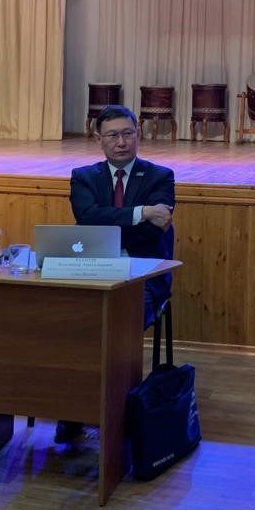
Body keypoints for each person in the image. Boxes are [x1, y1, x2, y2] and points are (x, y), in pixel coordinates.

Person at [62, 104, 175, 443]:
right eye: (112, 135)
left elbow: (151, 233)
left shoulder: (160, 176)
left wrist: (109, 222)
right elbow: (86, 217)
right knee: (67, 321)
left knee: (117, 327)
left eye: (127, 134)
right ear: (98, 139)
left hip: (142, 277)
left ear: (138, 135)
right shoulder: (84, 177)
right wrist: (142, 213)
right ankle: (76, 407)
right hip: (91, 270)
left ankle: (118, 410)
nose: (121, 142)